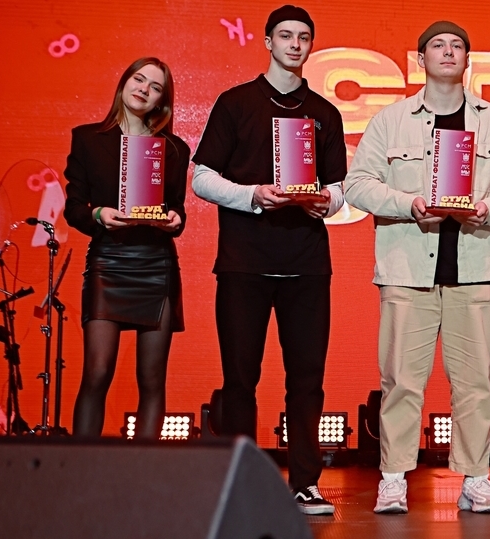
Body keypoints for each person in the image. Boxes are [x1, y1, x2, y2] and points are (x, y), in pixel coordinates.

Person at [343, 21, 490, 515]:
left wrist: (488, 208)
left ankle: (476, 479)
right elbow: (358, 183)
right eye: (438, 45)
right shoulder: (391, 120)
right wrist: (407, 203)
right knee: (401, 380)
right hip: (407, 270)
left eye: (457, 46)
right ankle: (393, 478)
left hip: (478, 266)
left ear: (468, 60)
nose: (448, 52)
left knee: (475, 383)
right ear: (421, 59)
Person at [190, 5, 346, 515]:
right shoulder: (235, 102)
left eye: (303, 37)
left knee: (307, 380)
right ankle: (241, 482)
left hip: (307, 263)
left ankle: (305, 483)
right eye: (285, 35)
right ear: (267, 42)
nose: (295, 44)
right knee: (240, 379)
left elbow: (340, 187)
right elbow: (202, 177)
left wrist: (327, 201)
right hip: (244, 262)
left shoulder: (325, 113)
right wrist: (253, 195)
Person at [65, 57, 187, 441]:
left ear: (162, 100)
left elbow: (177, 208)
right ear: (123, 83)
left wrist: (176, 219)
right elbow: (74, 208)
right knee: (97, 372)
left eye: (155, 87)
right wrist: (98, 214)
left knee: (151, 379)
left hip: (156, 265)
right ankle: (82, 468)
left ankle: (144, 471)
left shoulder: (173, 149)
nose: (144, 89)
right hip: (108, 261)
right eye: (139, 79)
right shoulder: (88, 138)